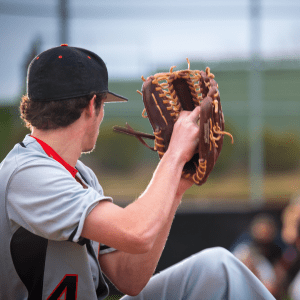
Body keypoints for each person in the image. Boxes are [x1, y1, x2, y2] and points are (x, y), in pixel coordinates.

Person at [0, 44, 275, 300]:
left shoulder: (81, 177)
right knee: (219, 266)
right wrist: (175, 154)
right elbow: (137, 232)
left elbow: (129, 276)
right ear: (92, 106)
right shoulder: (25, 174)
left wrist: (176, 187)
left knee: (216, 268)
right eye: (103, 105)